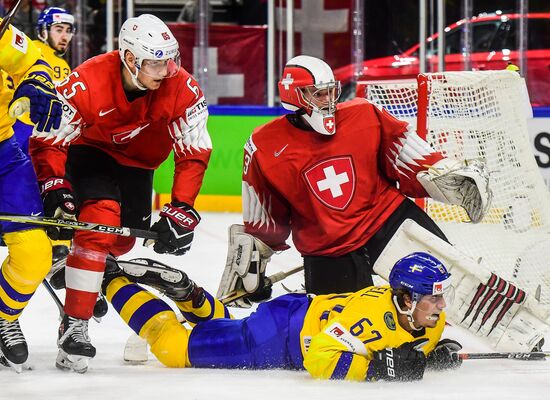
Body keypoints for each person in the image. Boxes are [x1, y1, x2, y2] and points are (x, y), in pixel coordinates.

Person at [217, 54, 491, 305]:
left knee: (447, 286)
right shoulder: (263, 145)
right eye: (318, 94)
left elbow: (405, 152)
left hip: (388, 221)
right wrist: (252, 262)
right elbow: (265, 214)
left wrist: (442, 171)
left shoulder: (364, 113)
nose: (328, 101)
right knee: (347, 329)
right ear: (296, 95)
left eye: (330, 92)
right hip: (328, 248)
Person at [29, 14, 212, 373]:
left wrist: (181, 207)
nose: (167, 70)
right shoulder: (89, 79)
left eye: (170, 59)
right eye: (156, 62)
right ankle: (75, 324)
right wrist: (54, 183)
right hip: (90, 154)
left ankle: (78, 262)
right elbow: (48, 137)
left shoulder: (182, 87)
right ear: (129, 58)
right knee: (101, 222)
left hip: (139, 166)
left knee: (121, 241)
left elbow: (193, 151)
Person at [102, 251, 462, 381]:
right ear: (404, 299)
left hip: (297, 314)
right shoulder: (366, 319)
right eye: (433, 298)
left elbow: (406, 347)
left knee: (225, 325)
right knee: (173, 349)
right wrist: (374, 370)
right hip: (277, 339)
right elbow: (319, 359)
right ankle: (110, 279)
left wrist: (434, 354)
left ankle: (190, 295)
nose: (441, 307)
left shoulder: (427, 317)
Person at [0, 18, 62, 372]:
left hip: (5, 154)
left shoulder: (2, 33)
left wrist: (34, 85)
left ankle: (3, 316)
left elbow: (33, 62)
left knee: (36, 253)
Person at [13, 6, 75, 155]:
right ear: (43, 32)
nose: (65, 37)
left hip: (43, 130)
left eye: (68, 31)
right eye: (59, 30)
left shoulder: (62, 64)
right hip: (21, 127)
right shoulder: (30, 51)